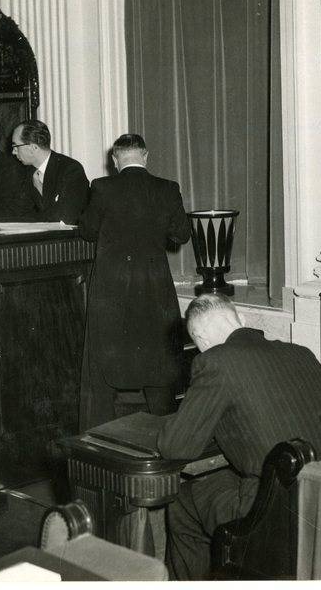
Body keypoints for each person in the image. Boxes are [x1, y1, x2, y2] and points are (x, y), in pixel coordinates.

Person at [158, 294, 321, 581]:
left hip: (276, 517)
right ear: (242, 320)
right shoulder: (301, 353)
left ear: (201, 341)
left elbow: (176, 447)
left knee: (182, 500)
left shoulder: (214, 361)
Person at [78, 133, 191, 430]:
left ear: (115, 160)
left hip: (111, 286)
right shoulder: (168, 188)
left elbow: (87, 230)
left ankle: (98, 437)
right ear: (146, 155)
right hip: (154, 284)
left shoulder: (102, 187)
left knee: (103, 359)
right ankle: (167, 430)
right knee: (159, 356)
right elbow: (181, 234)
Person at [10, 119, 89, 224]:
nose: (13, 152)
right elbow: (18, 212)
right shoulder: (27, 172)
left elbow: (65, 217)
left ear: (33, 147)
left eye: (16, 146)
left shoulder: (70, 170)